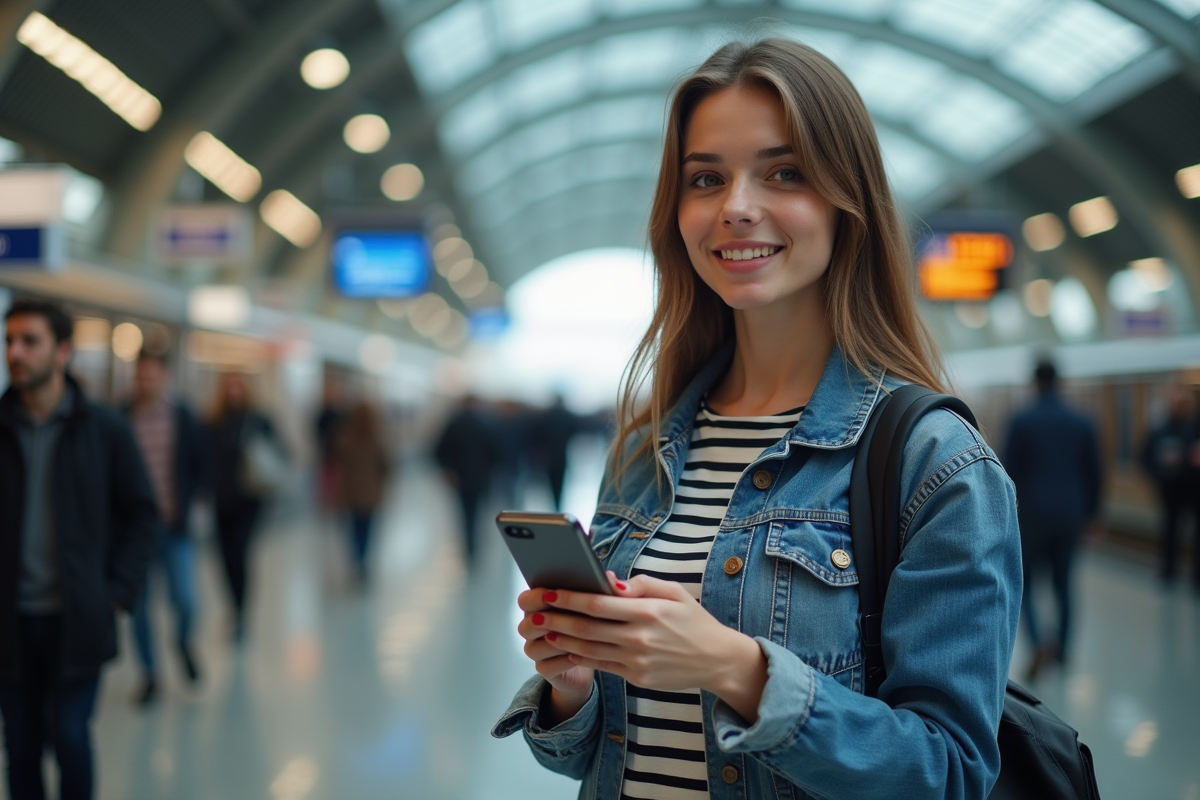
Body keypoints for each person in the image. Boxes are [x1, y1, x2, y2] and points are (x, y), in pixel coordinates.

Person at [492, 40, 1022, 800]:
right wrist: (575, 683)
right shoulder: (648, 446)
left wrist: (733, 668)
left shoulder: (934, 463)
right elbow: (599, 756)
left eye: (784, 172)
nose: (736, 205)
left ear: (849, 203)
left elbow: (950, 774)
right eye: (705, 178)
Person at [0, 299, 158, 800]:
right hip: (10, 621)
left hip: (78, 614)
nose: (15, 353)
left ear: (63, 351)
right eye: (8, 341)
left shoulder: (104, 429)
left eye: (30, 342)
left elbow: (141, 513)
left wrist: (116, 592)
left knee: (70, 736)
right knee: (20, 744)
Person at [1004, 359, 1102, 680]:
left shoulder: (1022, 420)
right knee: (1064, 584)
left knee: (1027, 584)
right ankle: (1063, 650)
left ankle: (1039, 643)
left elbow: (1008, 473)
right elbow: (1094, 472)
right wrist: (1093, 514)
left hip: (1031, 515)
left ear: (1035, 382)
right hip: (1070, 514)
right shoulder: (1082, 421)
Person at [125, 350, 210, 705]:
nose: (146, 382)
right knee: (140, 608)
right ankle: (149, 674)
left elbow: (202, 465)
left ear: (165, 377)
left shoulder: (185, 418)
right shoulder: (122, 419)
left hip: (176, 527)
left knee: (187, 601)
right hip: (136, 533)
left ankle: (182, 641)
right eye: (141, 376)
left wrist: (199, 506)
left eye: (152, 376)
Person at [209, 373, 282, 641]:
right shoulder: (215, 421)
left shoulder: (259, 420)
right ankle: (234, 605)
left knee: (240, 554)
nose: (234, 392)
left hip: (250, 501)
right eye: (230, 387)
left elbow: (281, 451)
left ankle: (241, 613)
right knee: (225, 559)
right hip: (222, 500)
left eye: (238, 387)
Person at [1141, 381, 1200, 589]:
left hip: (1195, 487)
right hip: (1170, 486)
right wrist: (1157, 474)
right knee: (1170, 531)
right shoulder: (1160, 429)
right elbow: (1146, 457)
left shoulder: (1196, 427)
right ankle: (1168, 573)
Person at [434, 395, 500, 564]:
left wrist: (448, 470)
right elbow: (497, 452)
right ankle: (475, 546)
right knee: (478, 512)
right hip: (481, 478)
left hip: (460, 478)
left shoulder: (454, 423)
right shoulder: (486, 424)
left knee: (466, 513)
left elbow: (438, 450)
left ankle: (469, 546)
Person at [331, 400, 391, 584]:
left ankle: (357, 560)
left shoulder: (345, 438)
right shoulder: (378, 438)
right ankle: (364, 560)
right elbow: (386, 465)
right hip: (371, 491)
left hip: (350, 491)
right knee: (367, 528)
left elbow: (337, 461)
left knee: (353, 528)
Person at [527, 394, 582, 511]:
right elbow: (576, 430)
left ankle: (553, 504)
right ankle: (558, 504)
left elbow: (537, 434)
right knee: (560, 482)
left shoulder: (546, 416)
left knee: (551, 482)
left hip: (549, 456)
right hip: (562, 455)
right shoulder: (567, 416)